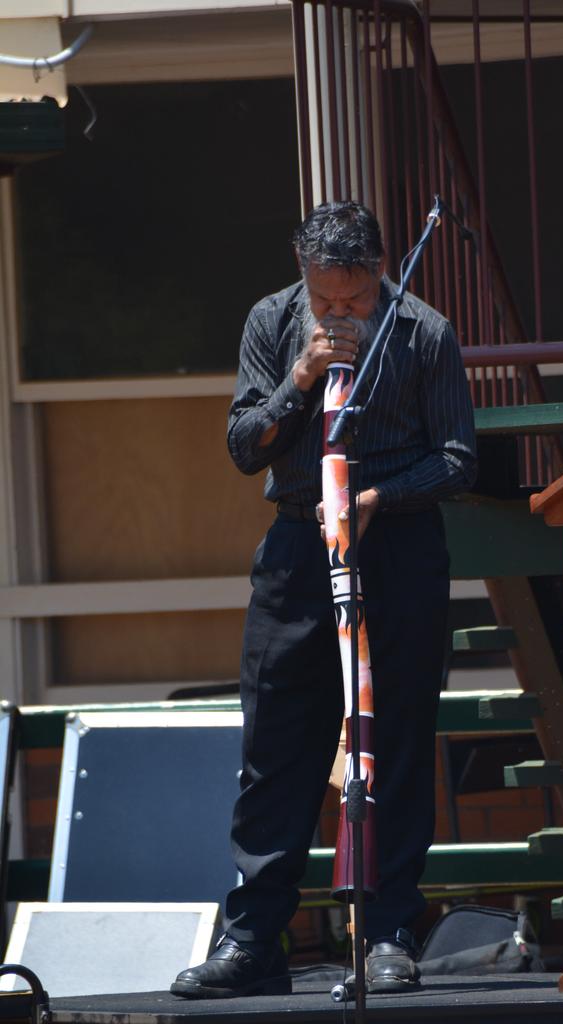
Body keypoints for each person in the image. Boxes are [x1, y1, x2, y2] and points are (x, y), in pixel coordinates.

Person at [171, 201, 477, 999]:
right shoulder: (272, 321)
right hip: (298, 542)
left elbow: (456, 458)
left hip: (396, 542)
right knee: (277, 741)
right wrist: (301, 376)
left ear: (380, 269)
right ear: (302, 277)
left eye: (354, 301)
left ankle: (388, 932)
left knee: (397, 736)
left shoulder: (427, 334)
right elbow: (244, 447)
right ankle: (254, 938)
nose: (338, 315)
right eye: (324, 301)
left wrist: (380, 495)